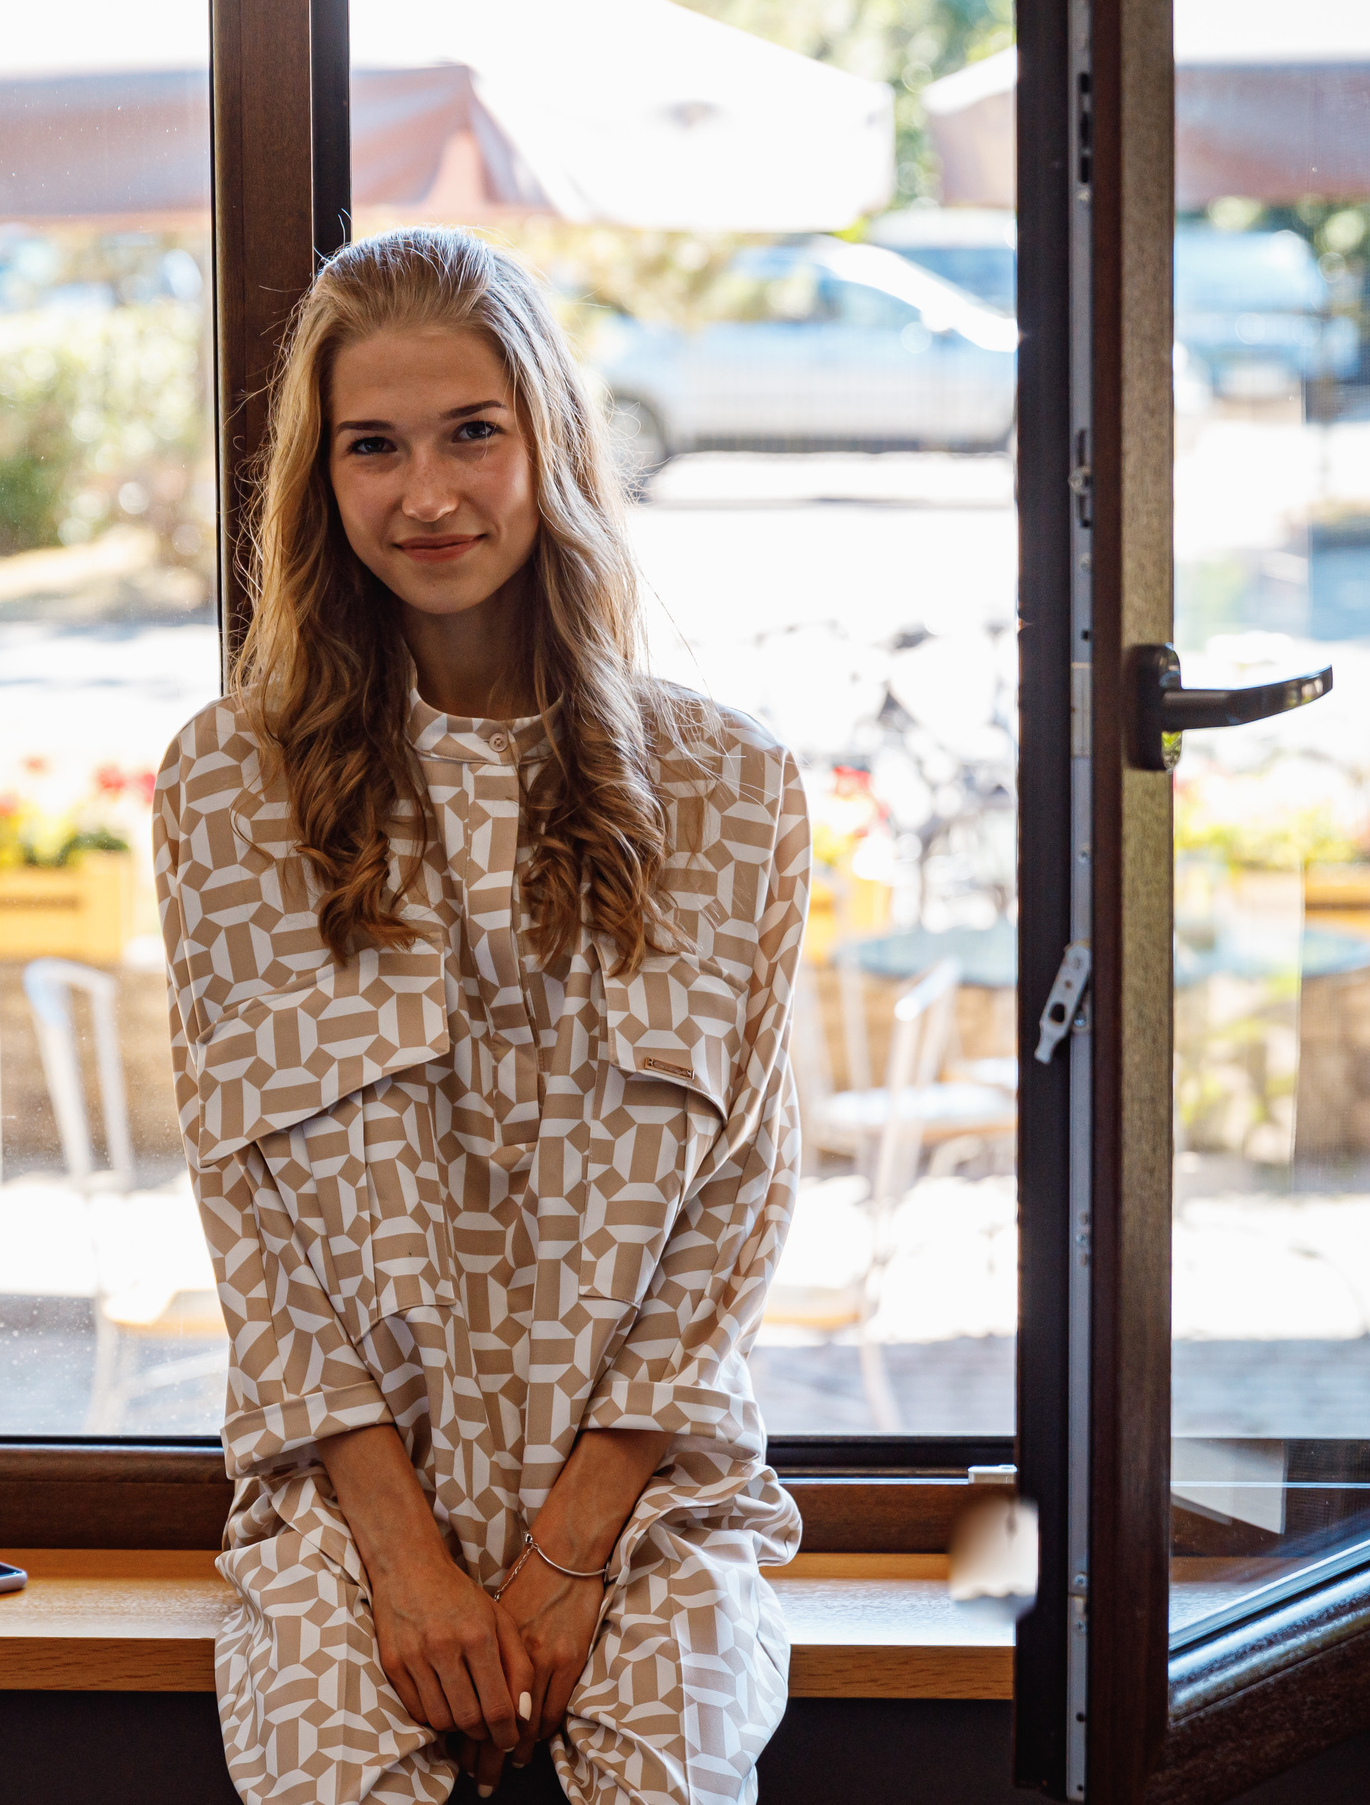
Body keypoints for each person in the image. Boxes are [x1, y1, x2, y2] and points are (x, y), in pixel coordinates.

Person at [155, 226, 809, 1804]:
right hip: (347, 1501)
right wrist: (404, 1555)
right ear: (320, 479)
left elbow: (742, 1192)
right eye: (373, 446)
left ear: (553, 444)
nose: (427, 493)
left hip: (652, 1495)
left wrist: (572, 1552)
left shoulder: (731, 786)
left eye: (472, 432)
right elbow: (250, 1212)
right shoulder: (226, 787)